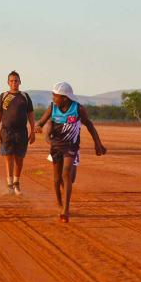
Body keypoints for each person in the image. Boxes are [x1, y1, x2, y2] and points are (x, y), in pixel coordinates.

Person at [34, 82, 107, 222]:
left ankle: (65, 210)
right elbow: (41, 122)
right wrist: (38, 127)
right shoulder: (52, 107)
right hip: (55, 145)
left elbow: (89, 125)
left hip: (70, 146)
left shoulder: (78, 109)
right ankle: (59, 204)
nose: (53, 98)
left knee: (66, 174)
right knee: (57, 179)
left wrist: (98, 144)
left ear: (65, 98)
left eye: (55, 96)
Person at [0, 71, 36, 195]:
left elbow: (31, 115)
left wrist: (32, 131)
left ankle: (17, 185)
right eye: (11, 81)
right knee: (8, 158)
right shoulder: (3, 96)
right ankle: (9, 186)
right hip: (6, 132)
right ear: (8, 83)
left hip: (21, 132)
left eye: (16, 80)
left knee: (19, 158)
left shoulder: (25, 96)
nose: (14, 83)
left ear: (20, 82)